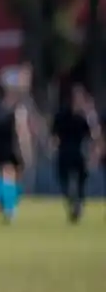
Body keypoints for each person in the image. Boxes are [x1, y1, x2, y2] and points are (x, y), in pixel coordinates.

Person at [50, 82, 98, 224]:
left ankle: (76, 203)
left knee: (78, 181)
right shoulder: (67, 114)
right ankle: (74, 202)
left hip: (77, 152)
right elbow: (55, 135)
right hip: (68, 152)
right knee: (68, 181)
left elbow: (92, 136)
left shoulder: (82, 116)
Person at [0, 77, 32, 224]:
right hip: (13, 147)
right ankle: (9, 208)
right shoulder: (18, 110)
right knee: (12, 177)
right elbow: (22, 131)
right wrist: (26, 149)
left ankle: (2, 201)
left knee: (3, 177)